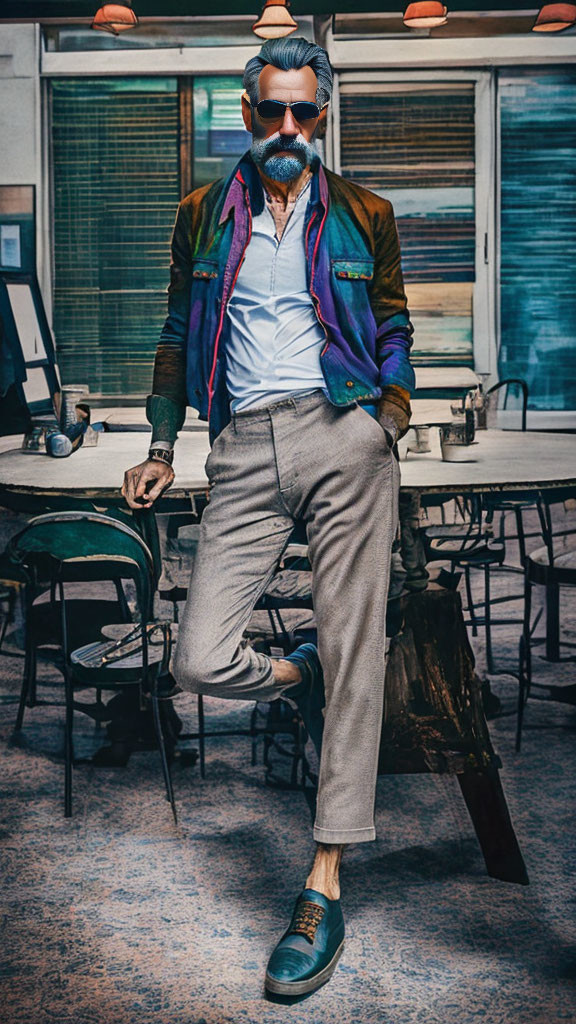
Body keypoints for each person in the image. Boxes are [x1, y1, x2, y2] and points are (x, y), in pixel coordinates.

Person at [122, 36, 415, 997]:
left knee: (359, 646)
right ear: (243, 114)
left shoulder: (365, 213)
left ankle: (323, 881)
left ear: (322, 115)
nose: (288, 128)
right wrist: (163, 445)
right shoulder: (203, 214)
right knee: (198, 658)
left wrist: (388, 422)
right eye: (271, 111)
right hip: (243, 445)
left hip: (343, 434)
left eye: (305, 112)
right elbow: (175, 331)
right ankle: (299, 674)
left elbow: (394, 322)